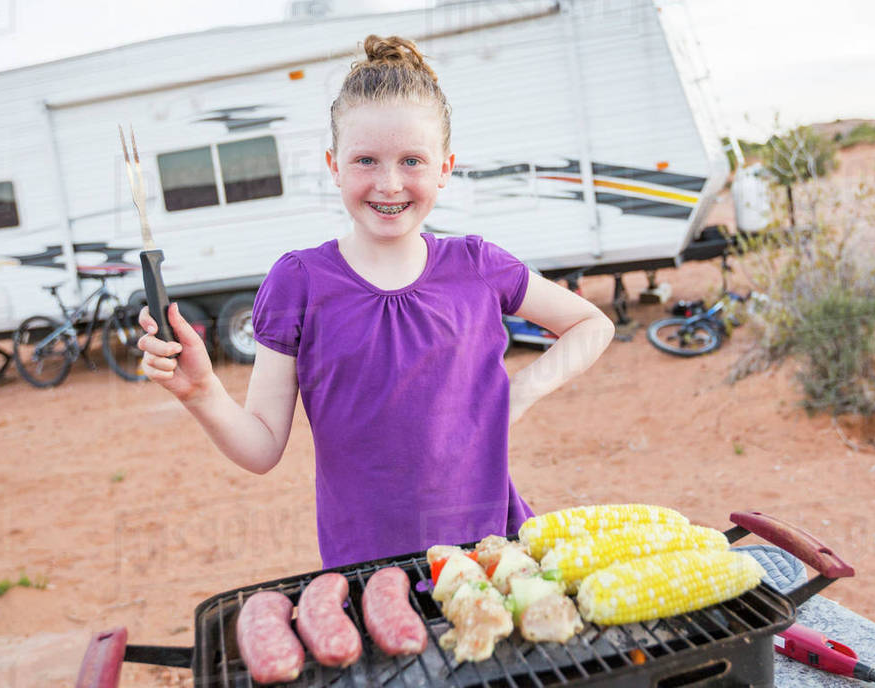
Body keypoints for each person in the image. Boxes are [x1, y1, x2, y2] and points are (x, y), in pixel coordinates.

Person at [138, 34, 615, 568]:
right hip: (370, 575)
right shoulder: (299, 282)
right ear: (333, 165)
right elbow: (263, 447)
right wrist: (202, 393)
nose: (389, 184)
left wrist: (518, 393)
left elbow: (591, 325)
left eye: (412, 160)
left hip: (493, 555)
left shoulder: (476, 266)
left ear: (445, 167)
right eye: (366, 160)